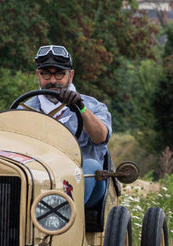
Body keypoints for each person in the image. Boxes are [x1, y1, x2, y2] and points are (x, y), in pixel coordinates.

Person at [21, 44, 112, 207]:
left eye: (59, 74)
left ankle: (60, 212)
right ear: (38, 74)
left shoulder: (93, 106)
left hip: (85, 182)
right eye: (46, 74)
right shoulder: (24, 109)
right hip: (38, 180)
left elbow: (100, 136)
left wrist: (81, 108)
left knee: (90, 166)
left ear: (71, 75)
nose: (53, 80)